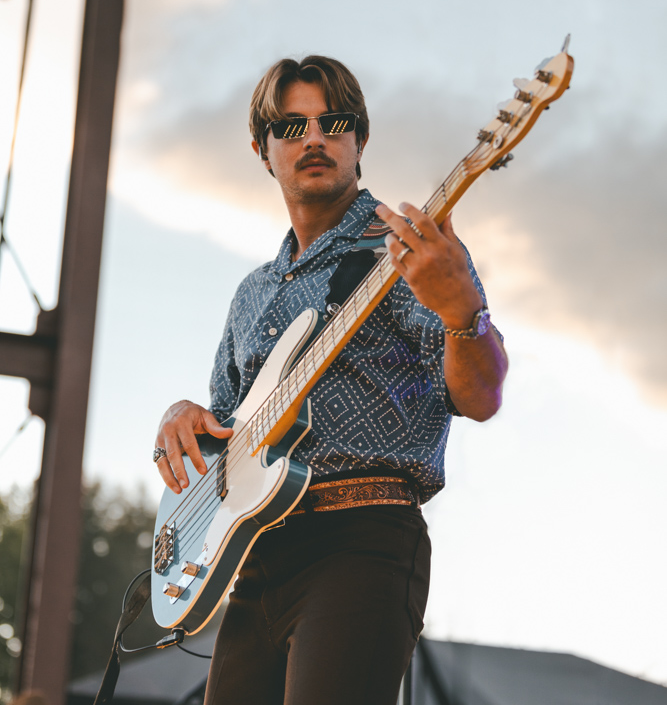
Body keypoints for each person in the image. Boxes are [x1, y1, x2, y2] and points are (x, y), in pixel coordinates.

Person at [154, 55, 508, 705]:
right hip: (256, 559)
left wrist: (462, 311)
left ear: (359, 140)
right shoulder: (253, 292)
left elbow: (481, 397)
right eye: (290, 127)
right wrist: (183, 416)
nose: (313, 137)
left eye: (332, 121)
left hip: (363, 544)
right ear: (264, 151)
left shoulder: (410, 249)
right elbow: (226, 437)